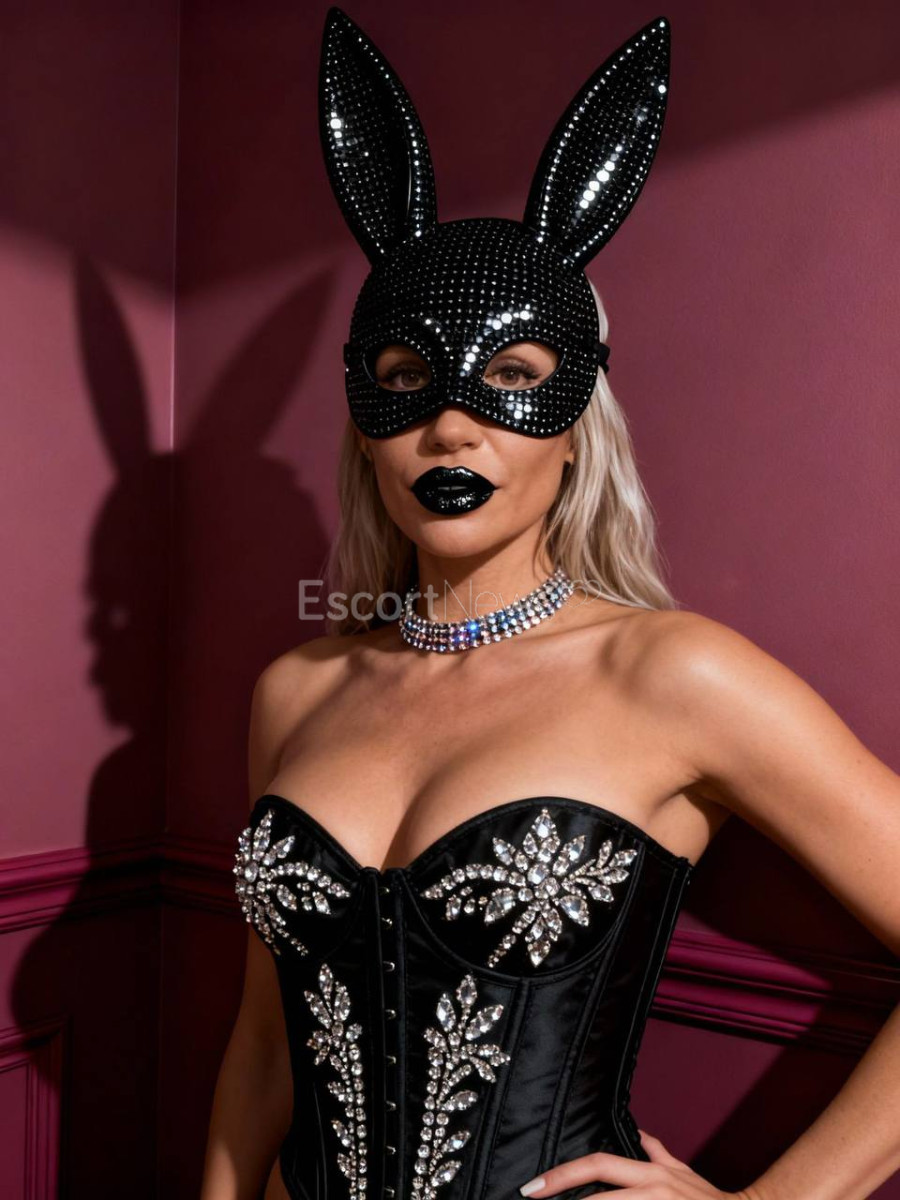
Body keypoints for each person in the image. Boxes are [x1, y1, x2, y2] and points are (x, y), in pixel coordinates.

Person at [201, 9, 900, 1200]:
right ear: (366, 432)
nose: (451, 427)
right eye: (407, 381)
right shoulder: (296, 692)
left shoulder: (674, 676)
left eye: (512, 379)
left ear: (576, 431)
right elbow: (266, 1047)